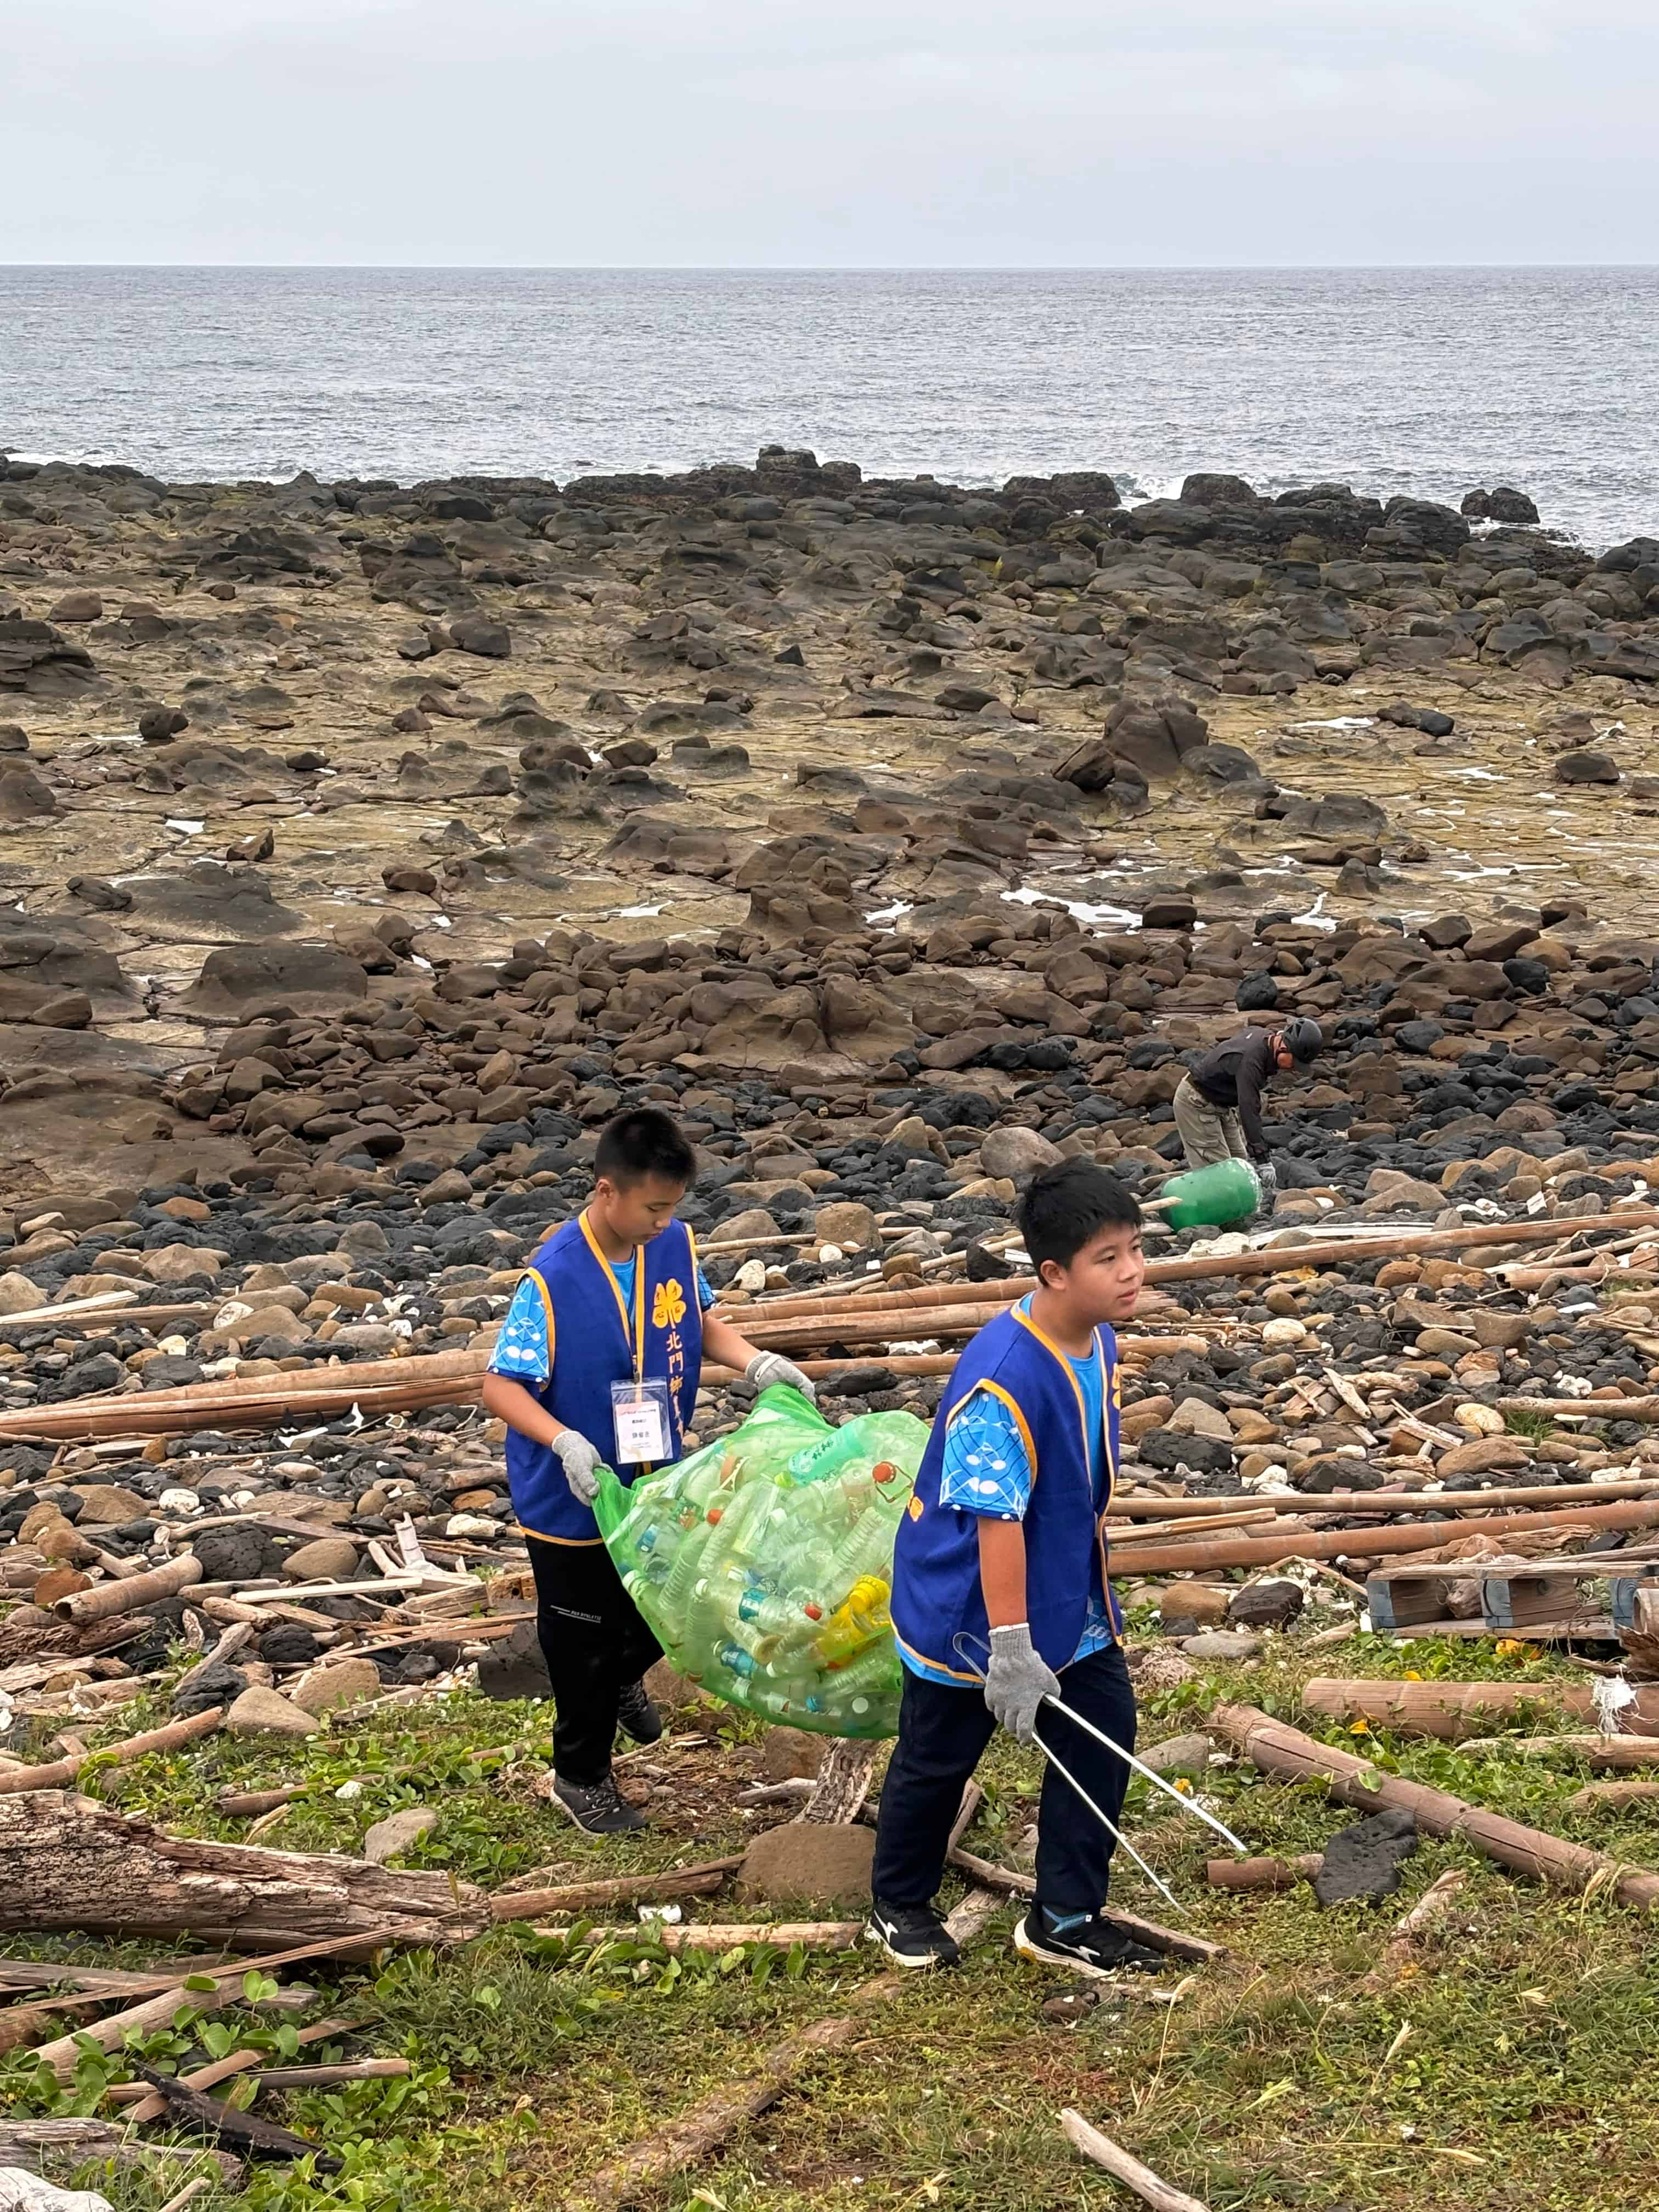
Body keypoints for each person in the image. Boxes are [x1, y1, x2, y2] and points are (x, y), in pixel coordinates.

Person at [867, 1160, 1163, 1979]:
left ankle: (1065, 1916)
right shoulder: (1004, 1377)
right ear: (1053, 1274)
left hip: (1070, 1590)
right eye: (1109, 1259)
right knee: (938, 1754)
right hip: (974, 1609)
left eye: (1135, 1249)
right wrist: (1010, 1648)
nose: (1132, 1271)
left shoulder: (1096, 1338)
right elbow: (995, 1522)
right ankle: (897, 1903)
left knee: (1103, 1737)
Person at [481, 1107, 814, 1835]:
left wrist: (755, 1362)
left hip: (653, 1473)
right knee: (580, 1639)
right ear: (608, 1193)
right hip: (573, 1494)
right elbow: (501, 1386)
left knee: (673, 1601)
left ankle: (622, 1675)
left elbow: (698, 1321)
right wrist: (565, 1440)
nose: (665, 1221)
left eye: (673, 1207)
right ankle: (581, 1777)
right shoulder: (552, 1278)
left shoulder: (671, 1247)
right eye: (653, 1207)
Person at [1170, 1018, 1322, 1193]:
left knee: (1240, 1165)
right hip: (1195, 1102)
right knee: (1219, 1173)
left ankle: (1244, 1212)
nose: (1294, 1068)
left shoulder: (1266, 1038)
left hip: (1221, 1105)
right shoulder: (1251, 1061)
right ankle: (1214, 1216)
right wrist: (1264, 1160)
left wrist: (1258, 1157)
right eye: (1294, 1062)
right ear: (1283, 1046)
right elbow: (1249, 1108)